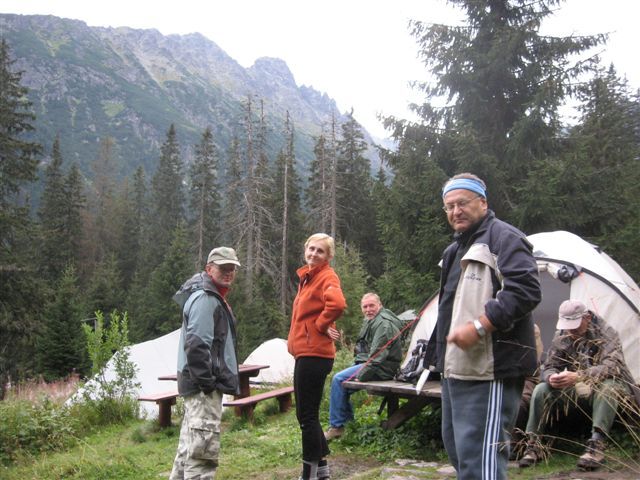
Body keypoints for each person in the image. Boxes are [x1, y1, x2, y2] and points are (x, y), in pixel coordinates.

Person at [424, 173, 541, 480]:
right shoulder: (454, 251)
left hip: (490, 369)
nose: (456, 211)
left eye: (462, 203)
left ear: (483, 202)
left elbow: (525, 292)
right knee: (461, 455)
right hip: (455, 369)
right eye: (449, 206)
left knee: (482, 461)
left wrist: (479, 326)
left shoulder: (504, 238)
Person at [518, 299, 640, 470]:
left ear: (587, 317)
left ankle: (596, 446)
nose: (571, 331)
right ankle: (534, 445)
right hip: (578, 388)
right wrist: (552, 377)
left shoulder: (606, 332)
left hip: (612, 388)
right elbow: (550, 366)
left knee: (608, 388)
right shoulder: (563, 334)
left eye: (575, 326)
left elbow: (612, 367)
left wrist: (579, 376)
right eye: (567, 326)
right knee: (541, 389)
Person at [169, 247, 242, 480]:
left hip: (198, 386)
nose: (228, 272)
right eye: (223, 268)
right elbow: (197, 345)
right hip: (203, 388)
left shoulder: (208, 295)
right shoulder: (205, 299)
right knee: (202, 455)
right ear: (209, 269)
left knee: (188, 450)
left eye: (232, 268)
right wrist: (207, 384)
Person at [287, 233, 346, 480]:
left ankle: (308, 474)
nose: (314, 253)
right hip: (306, 353)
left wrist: (321, 325)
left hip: (314, 354)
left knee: (307, 417)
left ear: (328, 256)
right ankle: (321, 471)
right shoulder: (308, 278)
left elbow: (337, 304)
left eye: (320, 251)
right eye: (311, 249)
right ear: (305, 250)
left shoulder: (327, 276)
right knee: (306, 415)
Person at [324, 292, 403, 441]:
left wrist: (361, 377)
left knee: (338, 380)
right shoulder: (372, 320)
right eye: (365, 307)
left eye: (371, 306)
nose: (368, 310)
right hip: (374, 364)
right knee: (341, 384)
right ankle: (347, 424)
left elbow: (376, 357)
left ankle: (337, 427)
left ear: (379, 305)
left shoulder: (383, 324)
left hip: (383, 368)